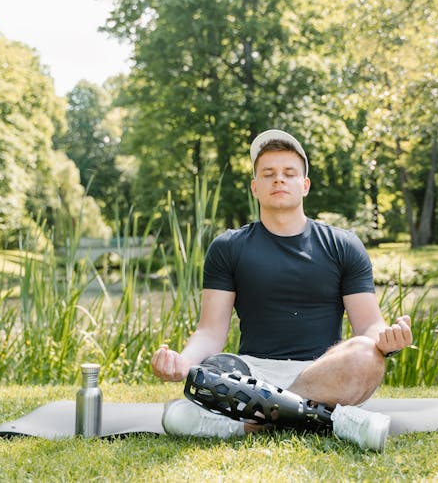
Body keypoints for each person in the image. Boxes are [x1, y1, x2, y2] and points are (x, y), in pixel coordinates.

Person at [151, 129, 413, 451]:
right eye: (268, 174)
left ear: (304, 185)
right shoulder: (227, 247)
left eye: (289, 174)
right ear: (255, 187)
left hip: (323, 373)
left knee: (364, 355)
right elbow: (210, 332)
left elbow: (368, 325)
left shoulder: (343, 245)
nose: (279, 181)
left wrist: (387, 339)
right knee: (178, 414)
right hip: (250, 377)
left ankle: (258, 420)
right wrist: (182, 361)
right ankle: (331, 421)